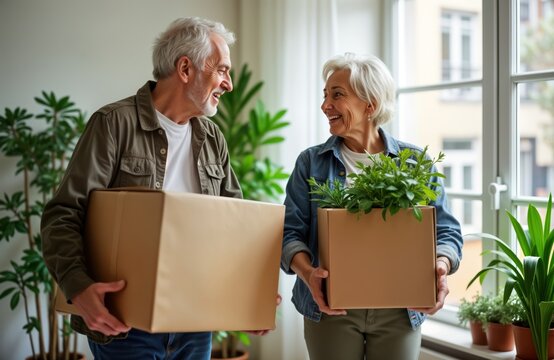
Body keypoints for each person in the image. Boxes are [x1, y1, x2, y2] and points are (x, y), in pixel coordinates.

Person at [41, 17, 269, 359]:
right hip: (126, 325)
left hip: (196, 322)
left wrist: (247, 297)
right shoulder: (114, 124)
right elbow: (63, 214)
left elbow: (234, 227)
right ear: (185, 68)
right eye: (222, 70)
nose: (229, 84)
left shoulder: (212, 139)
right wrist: (79, 286)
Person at [280, 53, 463, 360]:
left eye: (337, 95)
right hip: (331, 308)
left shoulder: (415, 163)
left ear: (370, 104)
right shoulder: (310, 163)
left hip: (400, 309)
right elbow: (289, 233)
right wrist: (308, 273)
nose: (325, 105)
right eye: (325, 96)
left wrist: (440, 269)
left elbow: (446, 232)